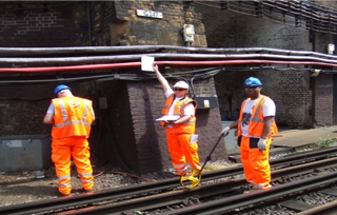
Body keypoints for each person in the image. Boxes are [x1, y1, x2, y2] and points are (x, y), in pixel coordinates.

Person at [219, 77, 278, 190]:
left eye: (253, 87)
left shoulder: (266, 102)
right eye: (247, 88)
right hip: (245, 137)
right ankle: (254, 183)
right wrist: (229, 127)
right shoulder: (245, 102)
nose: (249, 90)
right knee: (247, 162)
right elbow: (242, 119)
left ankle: (263, 186)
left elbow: (269, 121)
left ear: (259, 87)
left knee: (258, 162)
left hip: (258, 138)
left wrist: (263, 138)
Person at [43, 84, 95, 196]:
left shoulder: (57, 103)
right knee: (83, 161)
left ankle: (65, 190)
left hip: (62, 138)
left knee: (62, 163)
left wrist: (56, 120)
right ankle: (88, 186)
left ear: (59, 94)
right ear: (68, 91)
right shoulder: (86, 102)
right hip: (80, 136)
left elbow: (47, 120)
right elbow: (93, 118)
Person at [153, 64, 201, 176]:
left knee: (190, 152)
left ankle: (196, 172)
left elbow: (188, 116)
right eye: (176, 89)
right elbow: (164, 83)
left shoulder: (187, 102)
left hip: (185, 132)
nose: (177, 91)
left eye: (180, 89)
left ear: (185, 91)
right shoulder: (171, 96)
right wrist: (156, 71)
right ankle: (181, 174)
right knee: (175, 153)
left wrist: (174, 122)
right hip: (171, 131)